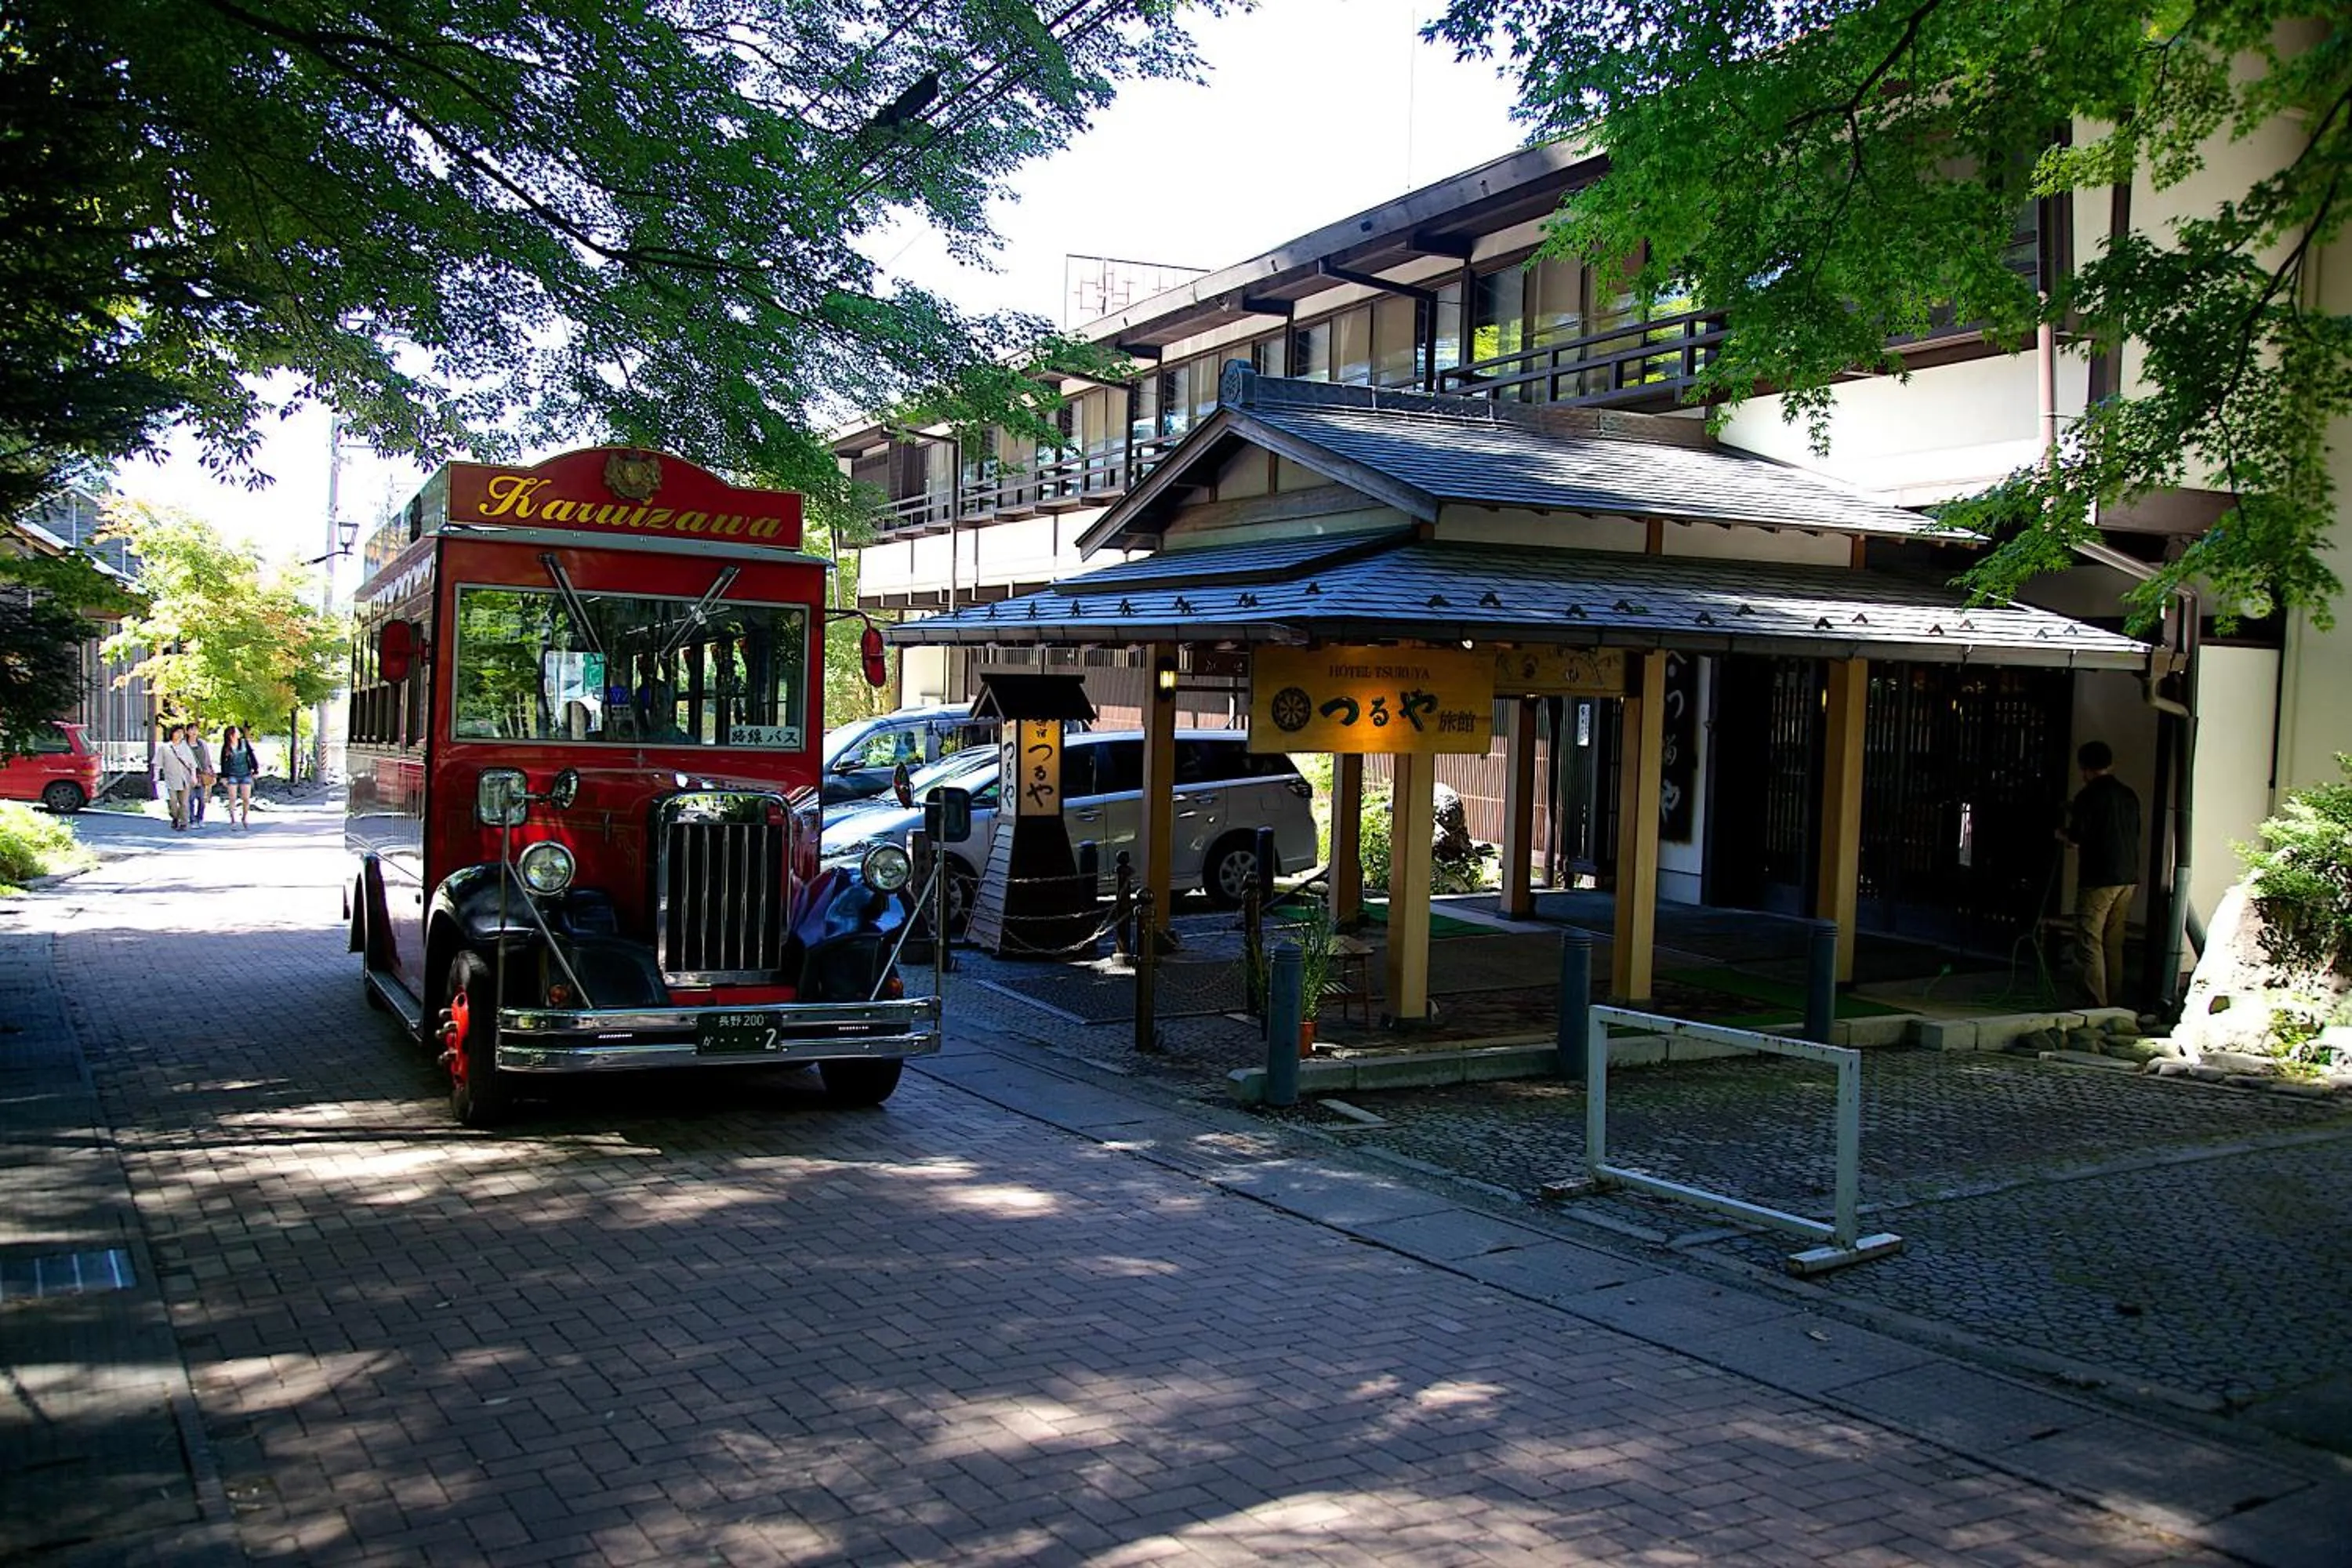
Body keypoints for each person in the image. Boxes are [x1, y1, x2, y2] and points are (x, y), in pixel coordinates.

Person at [2059, 739, 2143, 1008]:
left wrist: (2060, 833)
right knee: (2112, 942)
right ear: (2110, 764)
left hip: (2099, 877)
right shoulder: (2128, 795)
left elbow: (2076, 839)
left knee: (2089, 939)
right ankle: (2114, 1002)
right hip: (2128, 876)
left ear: (2084, 768)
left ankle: (2094, 1004)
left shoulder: (2089, 796)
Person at [216, 724, 260, 831]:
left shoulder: (244, 743)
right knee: (232, 798)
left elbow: (251, 756)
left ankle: (244, 817)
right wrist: (224, 777)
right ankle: (233, 819)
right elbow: (223, 762)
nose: (239, 733)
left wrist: (255, 769)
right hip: (232, 774)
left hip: (245, 773)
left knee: (246, 798)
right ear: (231, 735)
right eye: (236, 732)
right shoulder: (226, 747)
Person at [156, 724, 198, 832]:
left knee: (184, 802)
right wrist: (156, 777)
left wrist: (194, 776)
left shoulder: (185, 747)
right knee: (173, 801)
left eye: (181, 733)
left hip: (184, 778)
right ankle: (175, 817)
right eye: (177, 732)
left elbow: (192, 764)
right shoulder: (165, 748)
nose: (179, 735)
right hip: (170, 778)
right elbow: (158, 764)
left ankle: (184, 823)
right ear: (172, 733)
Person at [185, 722, 215, 826]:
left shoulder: (202, 744)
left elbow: (208, 759)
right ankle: (192, 819)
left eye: (196, 730)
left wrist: (211, 771)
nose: (194, 732)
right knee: (191, 798)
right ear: (187, 732)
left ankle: (200, 818)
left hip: (202, 774)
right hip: (188, 774)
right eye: (191, 730)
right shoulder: (184, 745)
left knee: (202, 799)